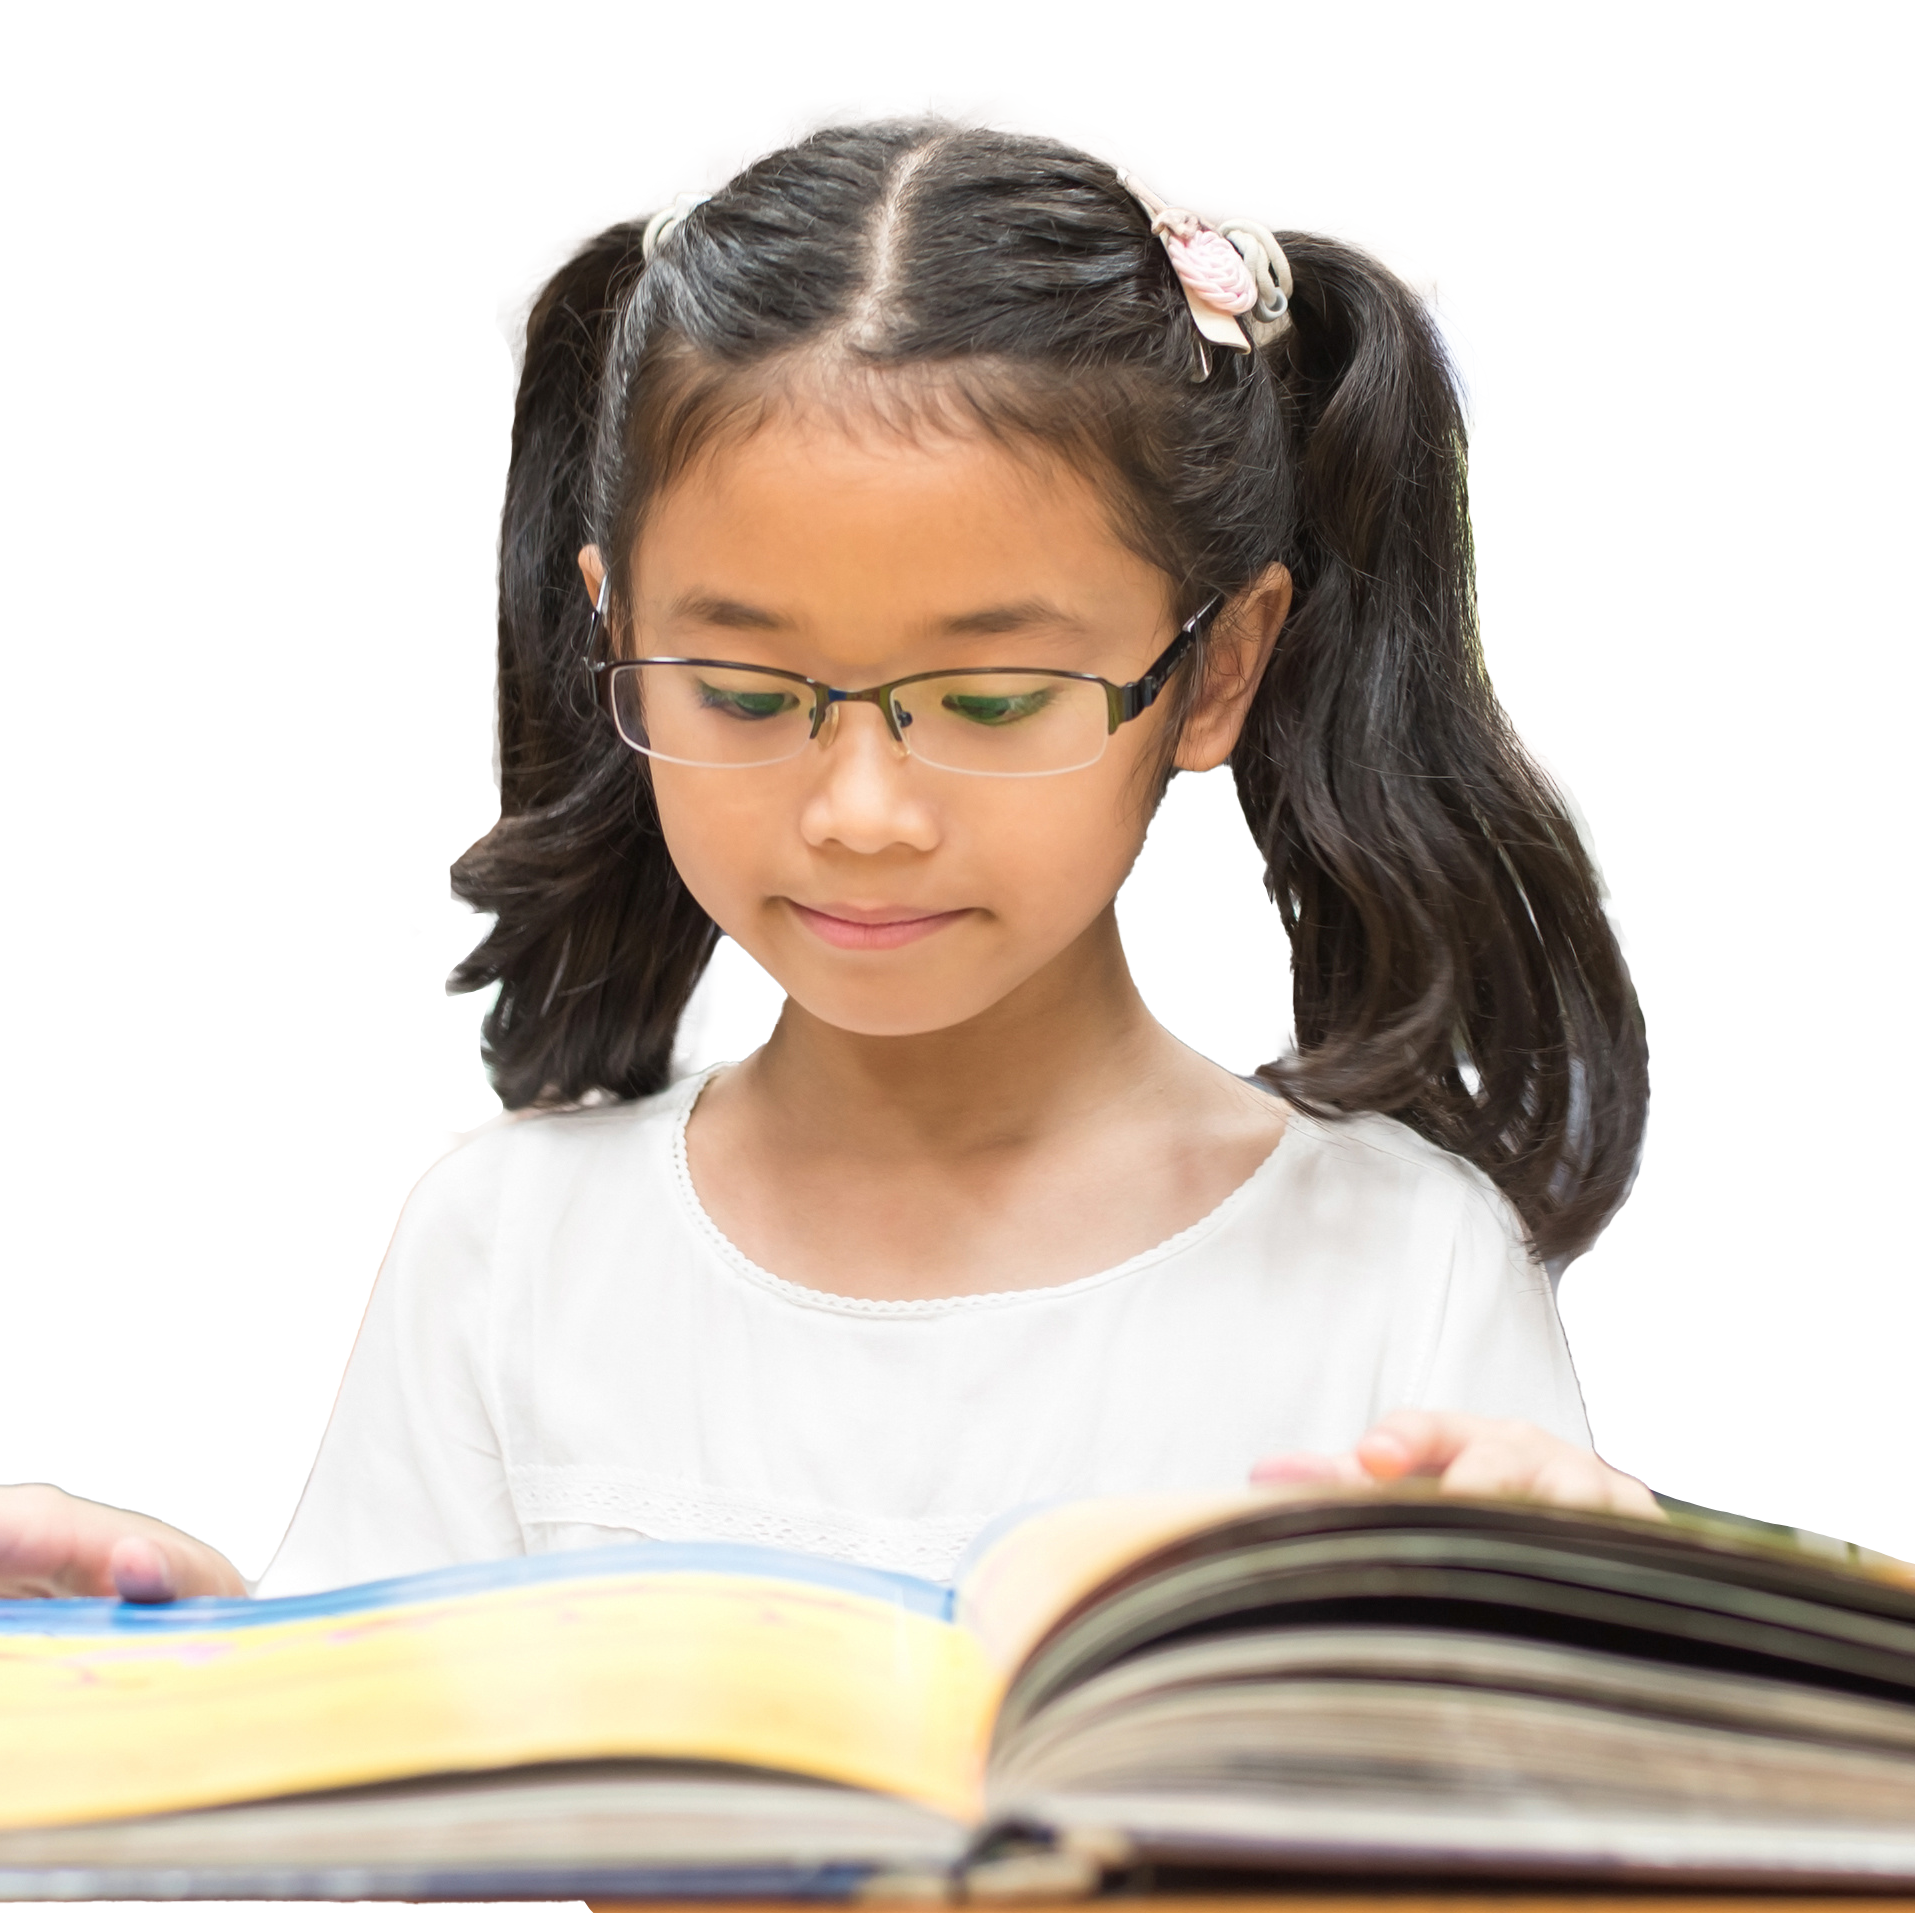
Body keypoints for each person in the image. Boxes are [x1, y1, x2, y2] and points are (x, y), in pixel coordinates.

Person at [0, 124, 1656, 1605]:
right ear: (612, 635)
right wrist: (198, 1660)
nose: (860, 808)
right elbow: (373, 1790)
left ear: (1215, 670)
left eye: (995, 697)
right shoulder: (505, 1250)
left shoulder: (1403, 1263)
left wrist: (1582, 1651)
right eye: (737, 691)